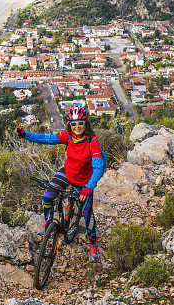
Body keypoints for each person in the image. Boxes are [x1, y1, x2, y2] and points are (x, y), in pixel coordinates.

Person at [15, 106, 106, 261]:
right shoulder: (67, 136)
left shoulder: (93, 142)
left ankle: (93, 245)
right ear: (69, 125)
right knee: (47, 196)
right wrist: (25, 135)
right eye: (73, 123)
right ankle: (48, 223)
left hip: (84, 181)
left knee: (87, 215)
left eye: (80, 123)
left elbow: (98, 167)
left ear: (86, 124)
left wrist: (89, 187)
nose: (77, 127)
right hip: (67, 172)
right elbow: (46, 138)